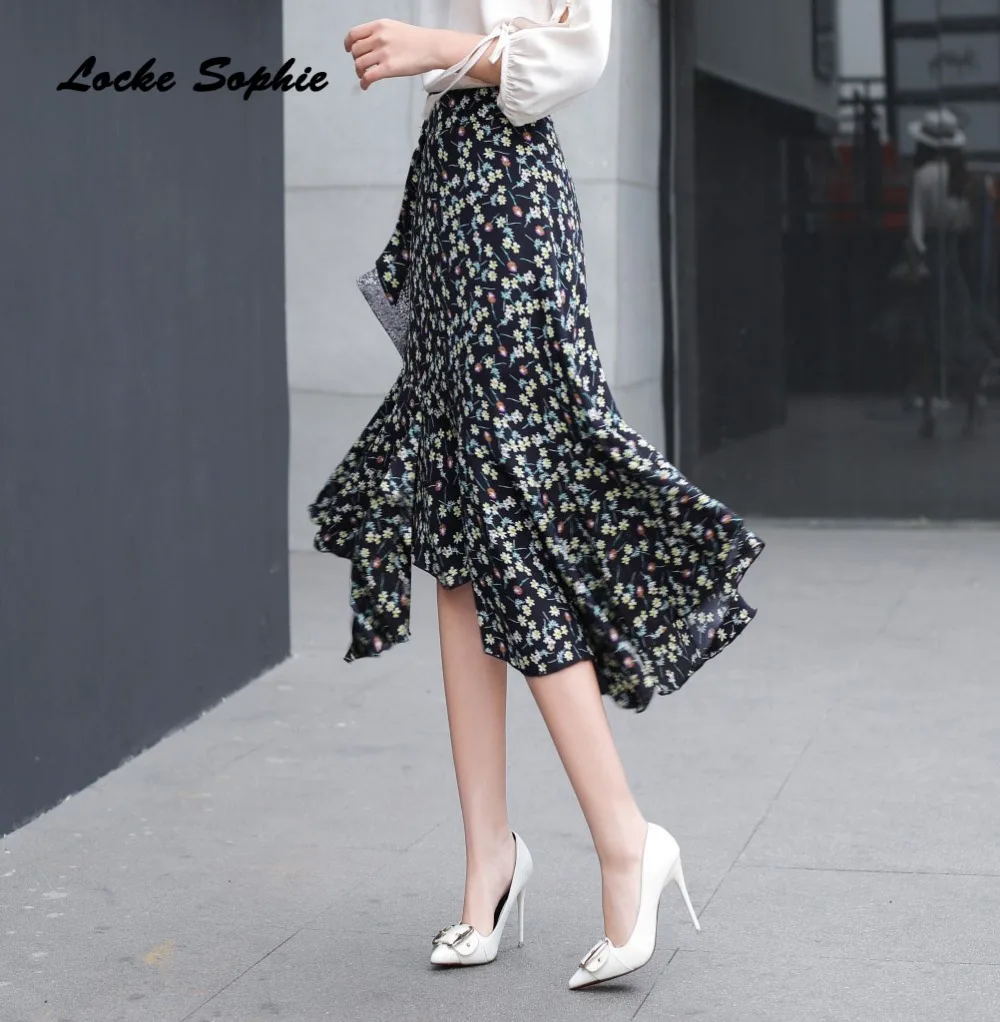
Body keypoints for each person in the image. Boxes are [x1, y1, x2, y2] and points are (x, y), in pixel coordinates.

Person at [308, 0, 764, 989]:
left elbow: (577, 53)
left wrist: (432, 47)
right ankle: (490, 859)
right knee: (456, 527)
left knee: (508, 514)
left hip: (508, 201)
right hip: (449, 189)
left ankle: (625, 838)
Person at [904, 108, 993, 438]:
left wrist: (915, 261)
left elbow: (915, 229)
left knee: (925, 341)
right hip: (955, 259)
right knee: (958, 339)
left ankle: (929, 414)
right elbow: (970, 225)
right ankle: (972, 409)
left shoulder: (923, 176)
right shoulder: (963, 177)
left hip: (931, 259)